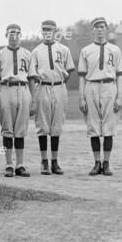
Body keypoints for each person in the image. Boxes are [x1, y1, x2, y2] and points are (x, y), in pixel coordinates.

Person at [77, 17, 122, 176]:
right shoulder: (86, 50)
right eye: (96, 27)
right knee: (94, 126)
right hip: (91, 85)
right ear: (93, 30)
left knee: (109, 126)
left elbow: (119, 75)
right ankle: (97, 163)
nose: (99, 29)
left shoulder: (115, 50)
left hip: (110, 86)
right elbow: (82, 76)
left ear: (107, 29)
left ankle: (107, 163)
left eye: (102, 26)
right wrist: (81, 97)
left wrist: (119, 96)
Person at [29, 20, 75, 175]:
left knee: (56, 125)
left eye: (50, 29)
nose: (47, 32)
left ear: (56, 31)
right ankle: (44, 161)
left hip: (59, 87)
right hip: (42, 86)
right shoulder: (35, 51)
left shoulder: (63, 49)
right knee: (42, 125)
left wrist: (59, 82)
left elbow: (69, 70)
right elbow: (32, 74)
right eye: (44, 30)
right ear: (41, 32)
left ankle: (55, 161)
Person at [0, 24, 34, 178]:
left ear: (20, 35)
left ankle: (20, 164)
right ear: (6, 35)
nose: (14, 36)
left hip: (23, 89)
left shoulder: (28, 54)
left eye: (17, 33)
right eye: (11, 33)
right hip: (6, 88)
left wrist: (33, 99)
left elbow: (31, 78)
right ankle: (9, 164)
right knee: (7, 129)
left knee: (21, 129)